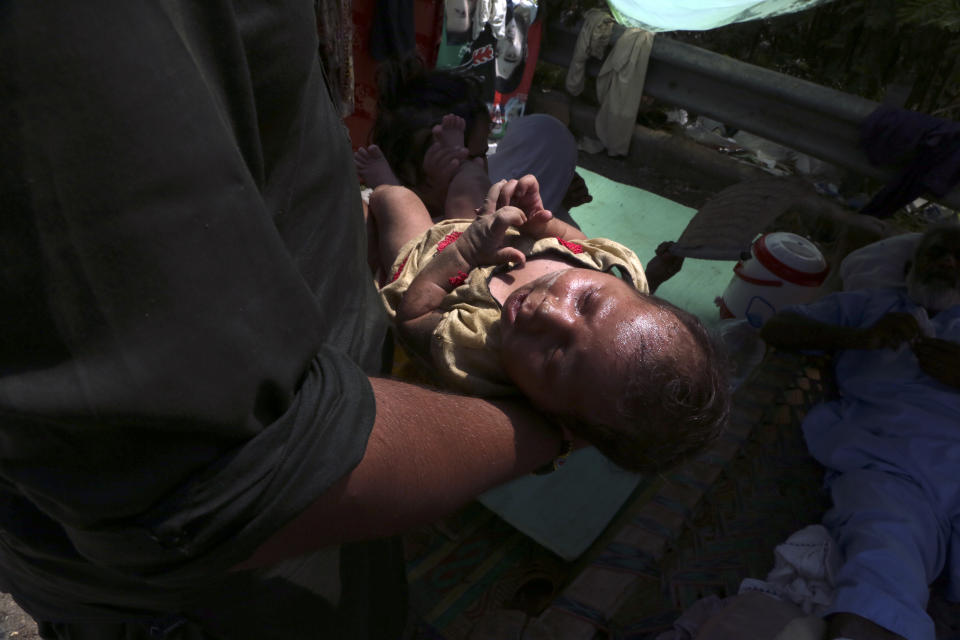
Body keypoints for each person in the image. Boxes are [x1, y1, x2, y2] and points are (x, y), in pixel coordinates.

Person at [0, 3, 598, 639]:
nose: (555, 308)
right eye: (583, 298)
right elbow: (218, 477)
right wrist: (543, 432)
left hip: (315, 523)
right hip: (236, 580)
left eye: (580, 343)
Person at [370, 172, 731, 473]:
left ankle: (377, 182)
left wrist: (465, 252)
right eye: (586, 300)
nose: (548, 312)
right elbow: (576, 243)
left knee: (397, 199)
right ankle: (446, 168)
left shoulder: (478, 352)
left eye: (556, 355)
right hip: (485, 228)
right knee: (471, 179)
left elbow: (413, 317)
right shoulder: (621, 270)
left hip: (425, 257)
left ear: (550, 414)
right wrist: (540, 218)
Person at [760, 222, 960, 640]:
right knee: (883, 557)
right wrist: (858, 338)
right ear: (910, 267)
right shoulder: (872, 306)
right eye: (937, 252)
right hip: (890, 469)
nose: (948, 262)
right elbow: (778, 329)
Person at [356, 58, 590, 224]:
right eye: (465, 160)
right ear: (407, 172)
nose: (479, 166)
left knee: (548, 131)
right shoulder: (376, 220)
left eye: (482, 154)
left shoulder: (479, 201)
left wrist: (557, 200)